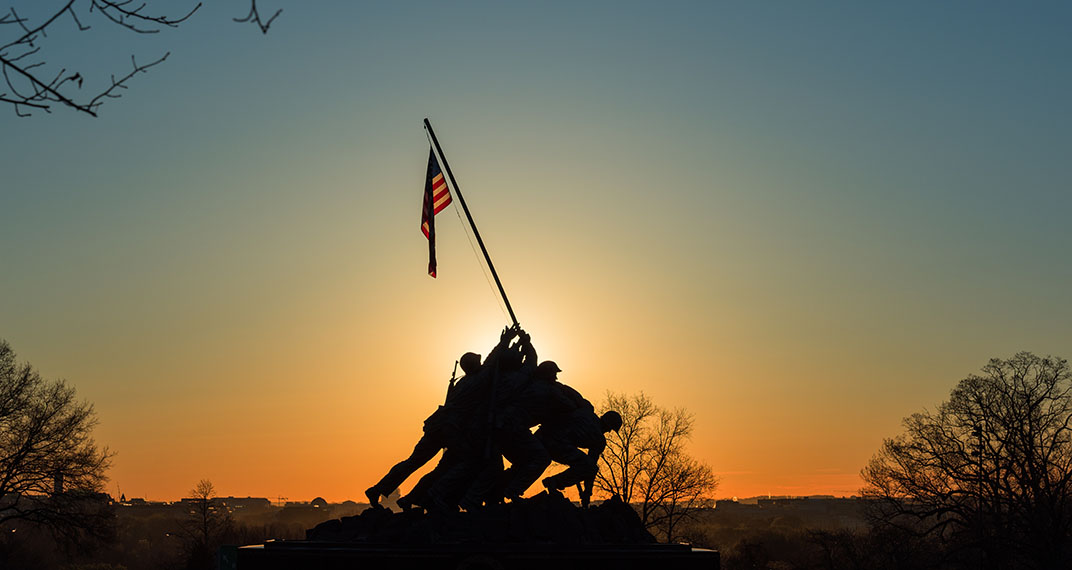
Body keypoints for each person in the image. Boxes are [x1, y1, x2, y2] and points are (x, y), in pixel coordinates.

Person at [364, 327, 518, 507]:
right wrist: (505, 341)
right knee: (467, 461)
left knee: (414, 462)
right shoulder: (478, 380)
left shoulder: (462, 382)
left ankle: (378, 489)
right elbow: (492, 363)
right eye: (478, 361)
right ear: (474, 365)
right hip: (452, 430)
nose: (482, 362)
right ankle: (436, 496)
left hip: (437, 425)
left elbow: (490, 364)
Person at [538, 409, 622, 507]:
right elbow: (590, 468)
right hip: (555, 442)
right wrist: (587, 493)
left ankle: (554, 482)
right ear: (608, 426)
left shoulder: (588, 415)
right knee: (589, 467)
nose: (608, 431)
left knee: (585, 464)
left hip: (543, 435)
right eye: (610, 429)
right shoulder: (598, 439)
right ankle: (554, 482)